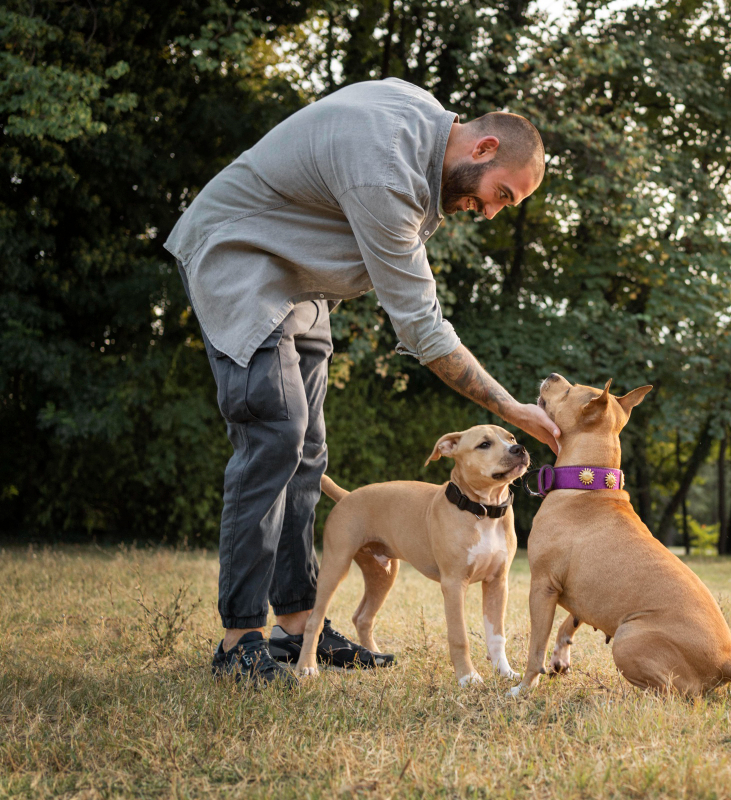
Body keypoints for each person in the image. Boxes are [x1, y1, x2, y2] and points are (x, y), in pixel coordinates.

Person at [164, 77, 560, 686]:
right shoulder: (387, 176)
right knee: (275, 438)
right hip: (240, 257)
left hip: (300, 282)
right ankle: (238, 640)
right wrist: (509, 408)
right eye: (500, 195)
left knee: (308, 453)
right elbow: (423, 328)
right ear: (481, 149)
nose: (488, 211)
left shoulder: (423, 115)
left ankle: (298, 628)